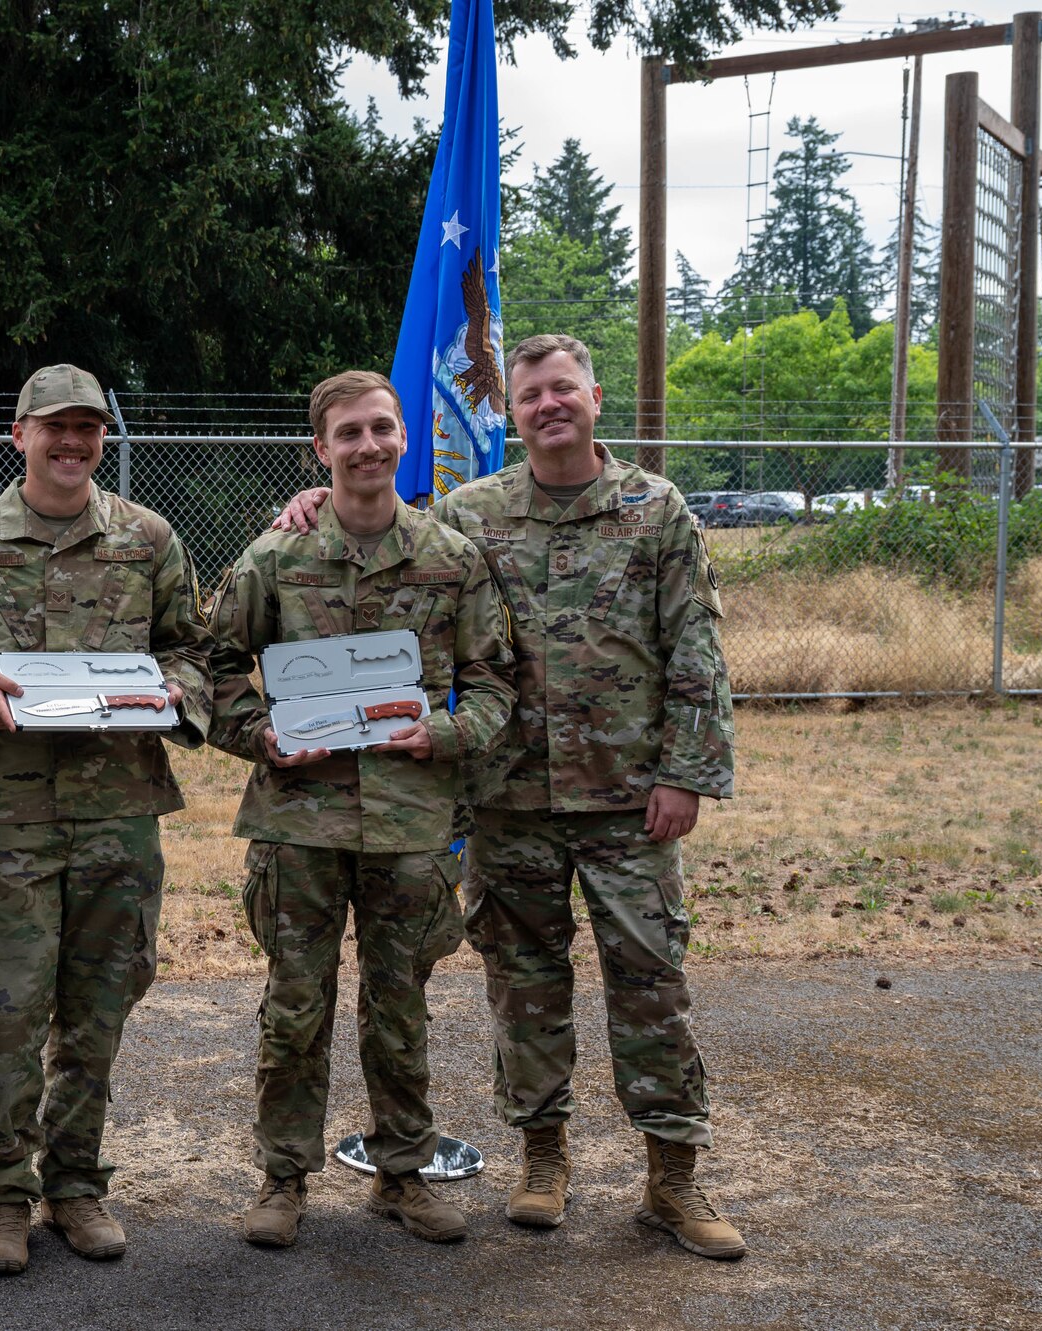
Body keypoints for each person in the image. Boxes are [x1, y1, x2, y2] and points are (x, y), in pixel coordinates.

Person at [275, 333, 743, 1260]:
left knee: (651, 984)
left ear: (595, 398)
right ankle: (543, 1158)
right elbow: (383, 543)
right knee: (525, 988)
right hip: (506, 799)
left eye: (563, 390)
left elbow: (697, 650)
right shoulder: (472, 512)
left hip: (627, 802)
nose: (548, 407)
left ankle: (672, 1178)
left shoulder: (656, 511)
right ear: (514, 412)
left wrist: (688, 773)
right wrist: (313, 503)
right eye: (531, 397)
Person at [0, 364, 213, 1276]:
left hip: (120, 814)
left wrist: (173, 693)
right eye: (55, 427)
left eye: (88, 428)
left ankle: (77, 1184)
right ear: (20, 435)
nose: (72, 443)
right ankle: (3, 1193)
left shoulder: (148, 539)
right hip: (11, 816)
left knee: (98, 1004)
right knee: (4, 1009)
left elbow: (196, 652)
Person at [209, 370, 515, 1249]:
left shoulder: (450, 558)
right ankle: (282, 1176)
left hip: (410, 820)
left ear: (405, 438)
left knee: (400, 1002)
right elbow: (216, 665)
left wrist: (445, 737)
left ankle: (404, 1172)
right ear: (321, 449)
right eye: (349, 433)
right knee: (295, 1003)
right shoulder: (275, 558)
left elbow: (495, 680)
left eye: (382, 428)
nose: (369, 446)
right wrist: (261, 735)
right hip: (298, 818)